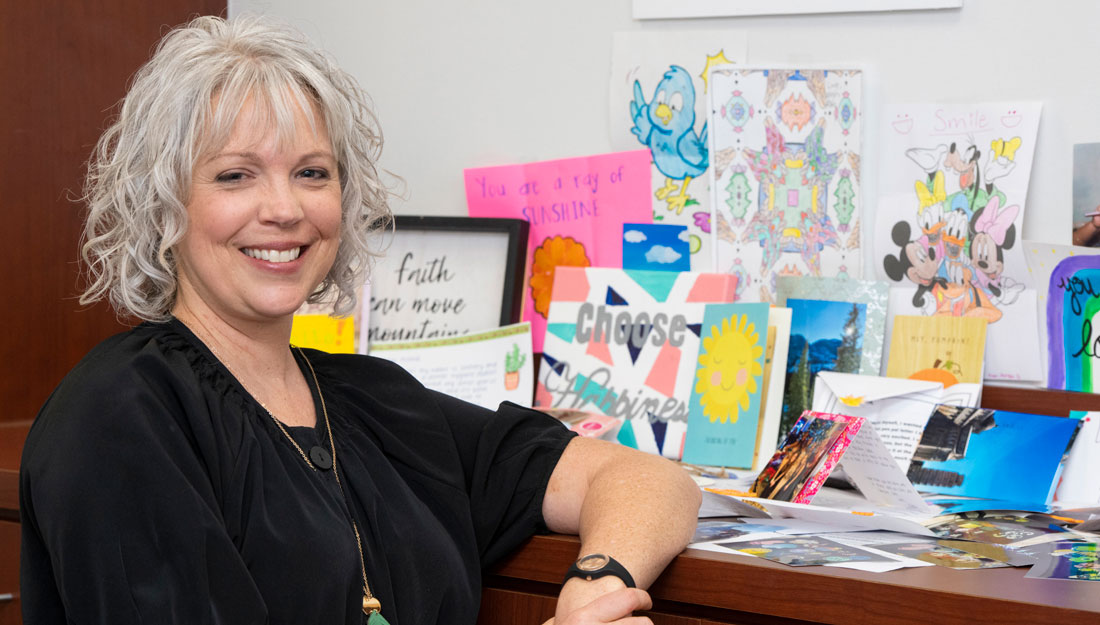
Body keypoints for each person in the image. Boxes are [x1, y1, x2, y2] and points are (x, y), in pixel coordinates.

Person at [19, 15, 700, 625]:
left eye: (313, 173)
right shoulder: (118, 415)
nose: (285, 208)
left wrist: (596, 584)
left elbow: (649, 481)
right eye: (236, 176)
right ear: (165, 203)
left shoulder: (379, 403)